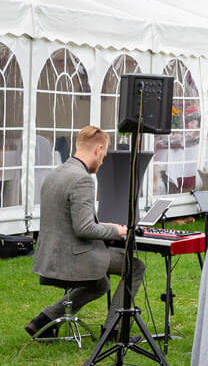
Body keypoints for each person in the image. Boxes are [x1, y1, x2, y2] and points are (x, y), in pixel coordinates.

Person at [25, 127, 147, 339]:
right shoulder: (82, 179)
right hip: (70, 259)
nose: (102, 162)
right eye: (104, 156)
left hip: (49, 257)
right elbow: (84, 229)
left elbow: (66, 220)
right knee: (135, 267)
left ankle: (43, 321)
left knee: (101, 284)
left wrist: (103, 226)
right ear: (98, 150)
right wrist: (116, 230)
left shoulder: (56, 174)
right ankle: (114, 331)